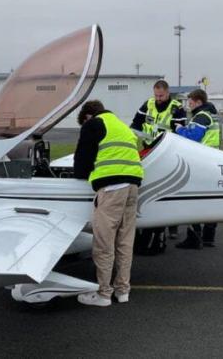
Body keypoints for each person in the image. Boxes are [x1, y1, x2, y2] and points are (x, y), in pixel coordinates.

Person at [73, 100, 144, 307]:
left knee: (104, 243)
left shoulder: (93, 124)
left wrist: (82, 175)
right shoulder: (122, 126)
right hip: (133, 186)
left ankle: (104, 294)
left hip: (112, 189)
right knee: (125, 241)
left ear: (87, 116)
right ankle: (123, 291)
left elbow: (82, 161)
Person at [131, 79, 186, 240]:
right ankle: (148, 222)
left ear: (168, 93)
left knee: (170, 190)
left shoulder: (177, 107)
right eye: (156, 95)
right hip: (148, 149)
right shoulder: (147, 104)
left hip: (167, 152)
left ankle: (173, 225)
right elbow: (136, 124)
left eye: (161, 96)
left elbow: (179, 132)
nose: (158, 98)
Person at [174, 89, 220, 249]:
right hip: (211, 160)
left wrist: (180, 129)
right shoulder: (209, 114)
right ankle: (208, 237)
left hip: (201, 162)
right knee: (210, 200)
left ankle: (194, 237)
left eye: (191, 101)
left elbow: (193, 137)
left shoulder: (201, 116)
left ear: (198, 102)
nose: (189, 104)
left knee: (192, 198)